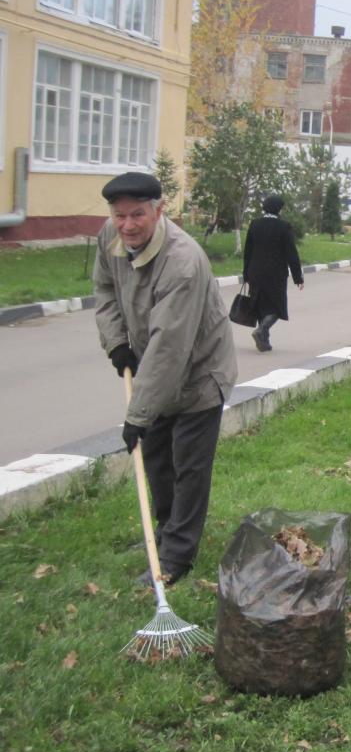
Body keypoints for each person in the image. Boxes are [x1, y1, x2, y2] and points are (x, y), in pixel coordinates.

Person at [93, 172, 238, 586]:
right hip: (152, 367)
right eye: (120, 215)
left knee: (188, 467)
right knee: (156, 461)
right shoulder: (111, 237)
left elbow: (170, 347)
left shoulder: (183, 262)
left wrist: (137, 413)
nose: (128, 225)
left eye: (138, 214)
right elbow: (104, 291)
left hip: (199, 374)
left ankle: (176, 556)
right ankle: (164, 533)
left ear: (159, 210)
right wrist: (117, 344)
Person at [242, 194, 303, 353]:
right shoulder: (284, 227)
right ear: (278, 209)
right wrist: (298, 277)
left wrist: (246, 273)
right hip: (275, 274)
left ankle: (264, 342)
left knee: (261, 305)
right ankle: (262, 330)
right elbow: (291, 253)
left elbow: (248, 251)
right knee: (277, 306)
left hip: (255, 271)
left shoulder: (255, 224)